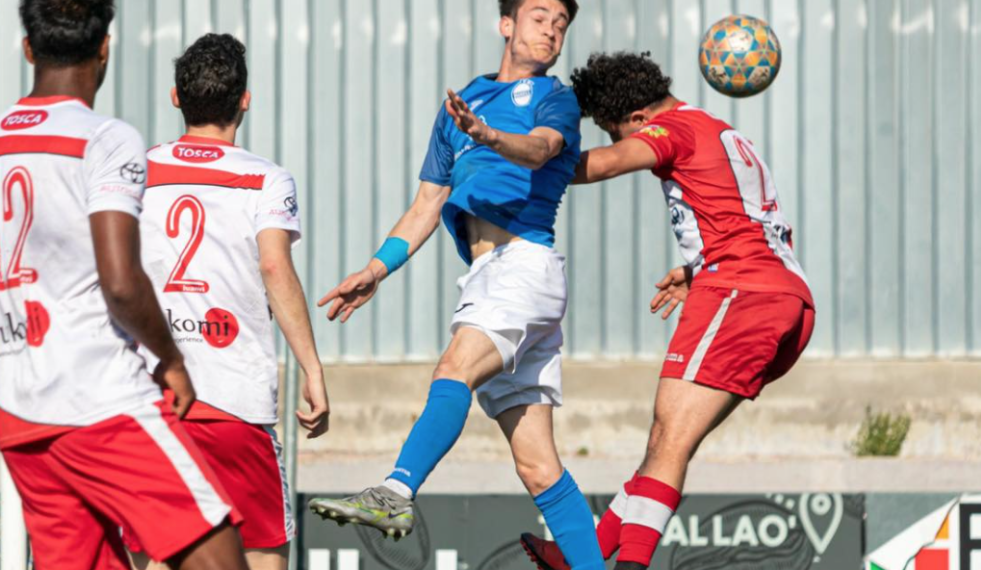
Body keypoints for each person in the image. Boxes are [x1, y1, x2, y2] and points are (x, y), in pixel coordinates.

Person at [307, 0, 604, 568]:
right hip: (490, 275)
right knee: (538, 465)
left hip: (524, 267)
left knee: (452, 371)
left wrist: (487, 134)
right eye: (540, 16)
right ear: (507, 24)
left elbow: (541, 148)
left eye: (561, 23)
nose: (552, 29)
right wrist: (375, 269)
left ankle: (395, 492)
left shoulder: (555, 99)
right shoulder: (461, 103)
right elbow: (427, 203)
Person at [520, 51, 815, 570]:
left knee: (669, 437)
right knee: (667, 440)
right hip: (785, 296)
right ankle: (581, 554)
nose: (620, 143)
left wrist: (517, 152)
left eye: (618, 131)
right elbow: (747, 218)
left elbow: (601, 165)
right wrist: (696, 268)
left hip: (740, 293)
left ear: (637, 119)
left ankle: (628, 566)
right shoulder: (717, 129)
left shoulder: (670, 130)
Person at [0, 1, 249, 569]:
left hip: (18, 407)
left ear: (29, 49)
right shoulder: (105, 138)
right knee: (218, 558)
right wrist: (171, 358)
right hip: (100, 400)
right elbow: (121, 281)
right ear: (105, 47)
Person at [122, 33, 329, 570]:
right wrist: (312, 367)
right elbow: (274, 266)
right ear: (245, 100)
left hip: (156, 404)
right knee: (261, 558)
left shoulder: (139, 172)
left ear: (175, 97)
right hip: (235, 406)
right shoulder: (265, 179)